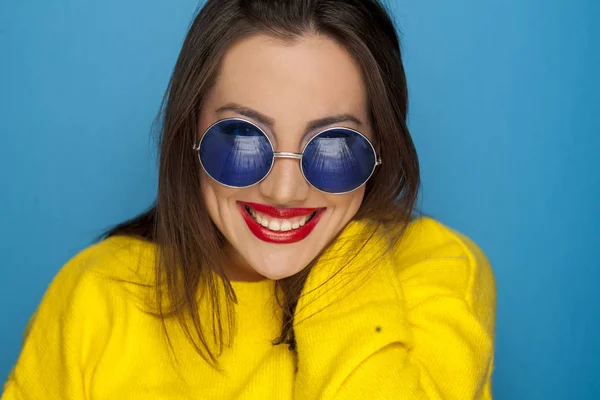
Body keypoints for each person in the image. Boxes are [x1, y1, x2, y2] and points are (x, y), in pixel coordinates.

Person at [2, 0, 496, 398]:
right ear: (189, 132)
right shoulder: (97, 294)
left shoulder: (437, 270)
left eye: (334, 146)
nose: (284, 192)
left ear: (380, 150)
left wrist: (349, 256)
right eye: (242, 137)